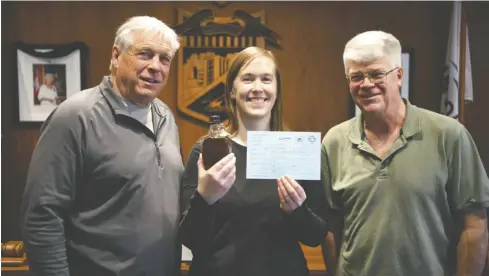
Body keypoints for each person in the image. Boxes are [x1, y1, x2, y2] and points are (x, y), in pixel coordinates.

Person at [21, 16, 184, 276]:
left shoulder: (165, 117)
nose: (156, 66)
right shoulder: (75, 117)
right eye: (145, 54)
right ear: (116, 56)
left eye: (165, 59)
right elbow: (42, 215)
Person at [320, 30, 489, 276]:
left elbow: (474, 226)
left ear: (398, 76)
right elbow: (331, 228)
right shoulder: (334, 141)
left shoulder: (448, 135)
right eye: (357, 76)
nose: (366, 84)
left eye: (377, 74)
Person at [179, 46, 328, 276]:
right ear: (231, 90)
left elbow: (315, 236)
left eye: (266, 79)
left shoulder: (297, 151)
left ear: (276, 90)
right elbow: (189, 238)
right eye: (248, 79)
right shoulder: (208, 150)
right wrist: (205, 197)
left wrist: (297, 211)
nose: (257, 88)